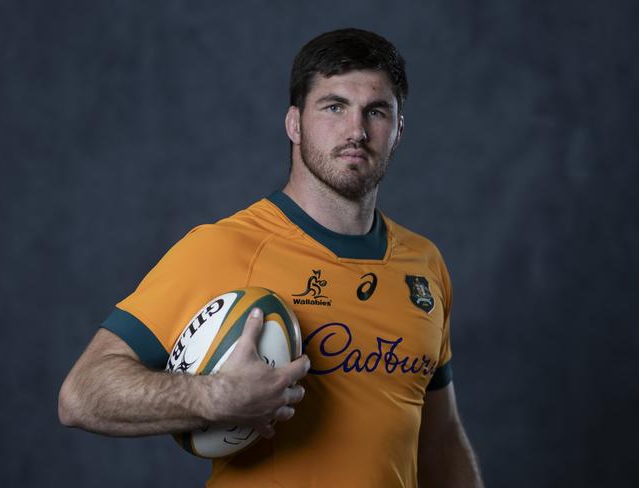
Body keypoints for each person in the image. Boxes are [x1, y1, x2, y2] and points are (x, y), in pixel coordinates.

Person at [59, 28, 484, 487]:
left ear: (398, 129)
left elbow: (439, 438)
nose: (356, 131)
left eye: (376, 111)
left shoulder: (424, 265)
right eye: (334, 106)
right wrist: (212, 396)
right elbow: (82, 395)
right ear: (294, 124)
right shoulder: (224, 248)